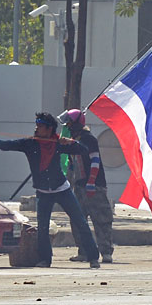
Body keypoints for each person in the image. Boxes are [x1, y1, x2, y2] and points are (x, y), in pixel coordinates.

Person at [0, 112, 100, 269]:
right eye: (36, 126)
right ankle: (45, 260)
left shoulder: (58, 143)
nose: (36, 129)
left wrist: (71, 142)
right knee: (42, 228)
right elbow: (6, 145)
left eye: (40, 126)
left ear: (49, 129)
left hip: (62, 189)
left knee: (80, 223)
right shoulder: (29, 143)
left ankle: (93, 258)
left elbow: (84, 150)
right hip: (43, 192)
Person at [58, 109, 114, 263]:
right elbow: (71, 165)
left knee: (101, 220)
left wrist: (91, 182)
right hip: (79, 187)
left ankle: (106, 252)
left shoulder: (89, 140)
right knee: (78, 220)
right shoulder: (72, 141)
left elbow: (95, 161)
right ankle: (83, 252)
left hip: (95, 187)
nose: (67, 127)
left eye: (69, 123)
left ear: (76, 124)